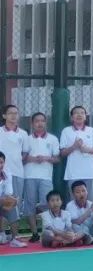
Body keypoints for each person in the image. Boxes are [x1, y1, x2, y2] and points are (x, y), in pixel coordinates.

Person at [23, 112, 60, 241]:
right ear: (32, 123)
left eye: (42, 121)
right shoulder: (26, 139)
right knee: (30, 204)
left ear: (46, 123)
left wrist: (46, 158)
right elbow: (22, 158)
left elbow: (57, 159)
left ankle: (48, 232)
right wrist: (33, 159)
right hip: (29, 176)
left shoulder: (53, 139)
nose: (40, 123)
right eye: (37, 121)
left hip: (46, 177)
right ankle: (34, 233)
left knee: (47, 204)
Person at [1, 105, 33, 242]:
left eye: (16, 113)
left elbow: (25, 153)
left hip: (18, 173)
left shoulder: (23, 134)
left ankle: (15, 237)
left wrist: (17, 160)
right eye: (10, 113)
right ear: (4, 116)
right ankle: (2, 233)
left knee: (14, 205)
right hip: (2, 174)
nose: (14, 115)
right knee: (2, 203)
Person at [60, 105, 93, 197]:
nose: (79, 115)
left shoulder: (91, 131)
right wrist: (74, 146)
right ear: (72, 117)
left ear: (85, 117)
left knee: (90, 200)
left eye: (82, 113)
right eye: (76, 113)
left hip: (90, 173)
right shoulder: (66, 131)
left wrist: (87, 149)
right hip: (73, 173)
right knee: (74, 201)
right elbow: (62, 153)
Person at [0, 151, 26, 247]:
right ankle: (2, 234)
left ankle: (14, 239)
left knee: (13, 205)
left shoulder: (7, 174)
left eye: (1, 162)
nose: (0, 165)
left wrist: (14, 200)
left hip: (2, 202)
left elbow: (8, 192)